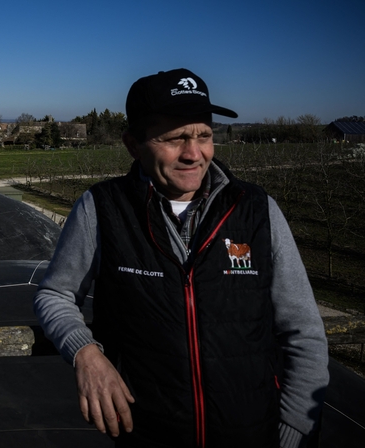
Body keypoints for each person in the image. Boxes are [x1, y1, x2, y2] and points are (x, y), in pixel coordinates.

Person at [34, 68, 328, 448]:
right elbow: (55, 294)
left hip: (255, 434)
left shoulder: (256, 210)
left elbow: (303, 328)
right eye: (175, 138)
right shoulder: (102, 208)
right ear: (132, 145)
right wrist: (85, 354)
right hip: (148, 434)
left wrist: (295, 426)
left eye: (204, 135)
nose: (194, 153)